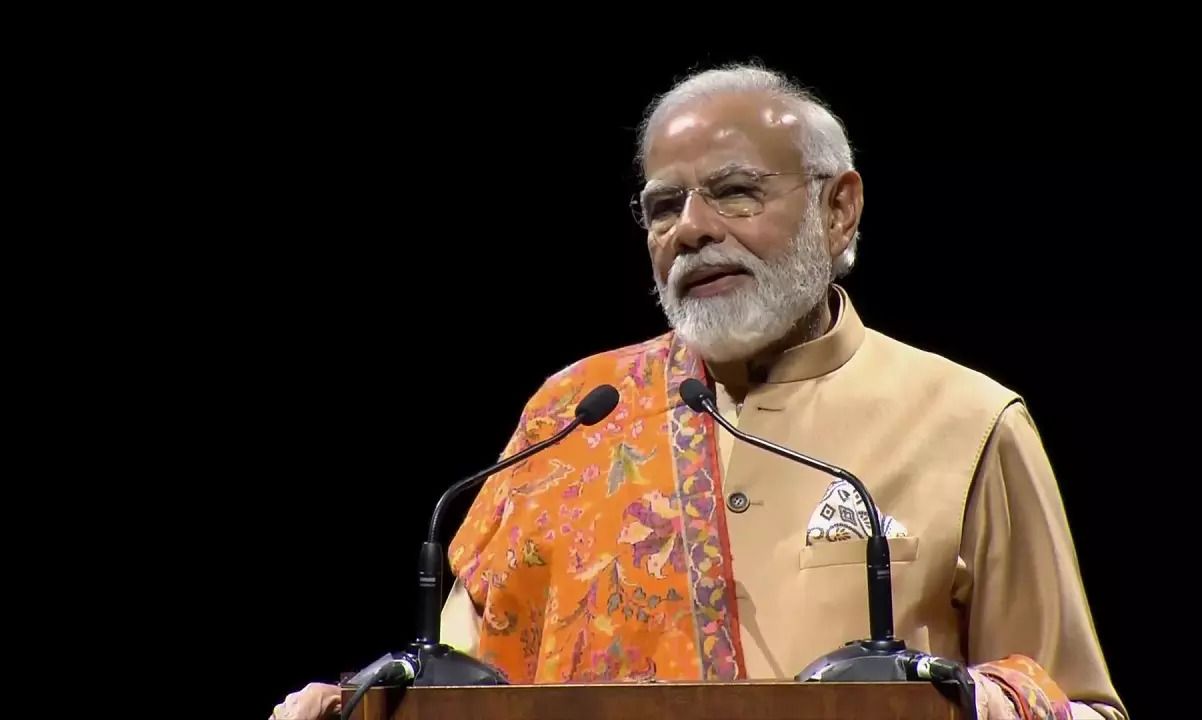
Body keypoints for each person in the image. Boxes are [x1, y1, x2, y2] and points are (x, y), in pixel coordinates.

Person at [270, 63, 1127, 720]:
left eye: (735, 192)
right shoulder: (576, 414)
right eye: (662, 206)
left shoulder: (968, 421)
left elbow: (1077, 703)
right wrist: (362, 701)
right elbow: (464, 675)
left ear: (839, 210)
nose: (691, 230)